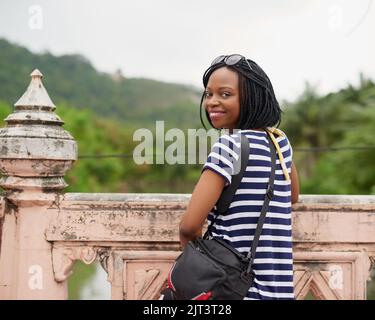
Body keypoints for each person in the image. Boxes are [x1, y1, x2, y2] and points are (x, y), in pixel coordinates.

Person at [179, 54, 300, 300]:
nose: (212, 102)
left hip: (236, 291)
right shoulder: (280, 141)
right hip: (280, 291)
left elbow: (189, 226)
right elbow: (292, 196)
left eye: (225, 94)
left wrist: (194, 268)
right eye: (208, 94)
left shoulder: (228, 147)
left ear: (252, 97)